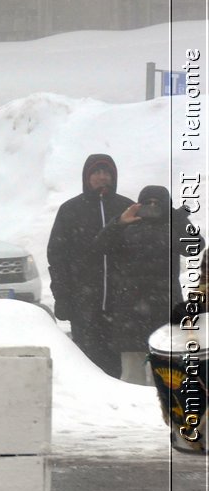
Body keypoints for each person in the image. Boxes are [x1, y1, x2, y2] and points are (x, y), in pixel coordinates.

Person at [47, 154, 134, 377]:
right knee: (86, 366)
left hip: (120, 305)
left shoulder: (127, 208)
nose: (102, 177)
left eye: (107, 172)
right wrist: (63, 296)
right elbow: (57, 257)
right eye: (96, 172)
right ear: (87, 177)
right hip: (83, 303)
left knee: (117, 369)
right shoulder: (71, 209)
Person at [95, 185, 192, 384]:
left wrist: (180, 220)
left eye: (158, 203)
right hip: (130, 311)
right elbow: (100, 245)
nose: (152, 206)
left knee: (168, 380)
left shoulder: (173, 227)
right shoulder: (127, 226)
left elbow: (195, 246)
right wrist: (119, 222)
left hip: (165, 309)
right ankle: (131, 416)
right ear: (138, 205)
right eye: (147, 202)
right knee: (132, 379)